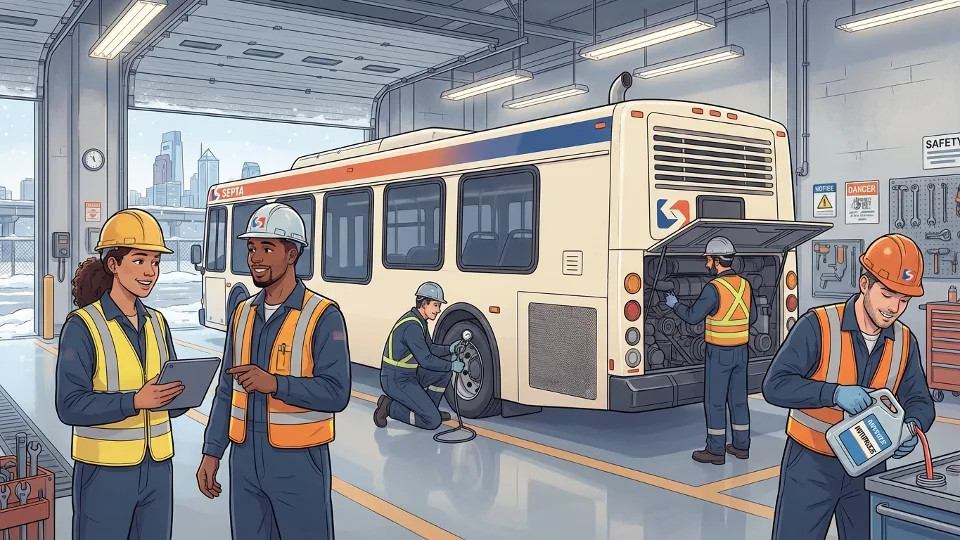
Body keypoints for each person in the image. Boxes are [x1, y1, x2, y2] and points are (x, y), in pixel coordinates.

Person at [763, 234, 935, 540]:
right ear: (864, 284)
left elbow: (921, 401)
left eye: (903, 300)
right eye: (887, 294)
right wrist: (833, 394)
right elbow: (775, 385)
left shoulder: (905, 341)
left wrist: (911, 427)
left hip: (869, 468)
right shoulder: (817, 326)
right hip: (812, 465)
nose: (894, 308)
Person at [196, 202, 351, 540]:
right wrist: (212, 451)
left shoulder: (323, 316)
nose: (255, 258)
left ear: (292, 254)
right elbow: (226, 390)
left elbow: (337, 392)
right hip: (244, 461)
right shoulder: (242, 314)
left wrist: (276, 384)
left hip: (298, 463)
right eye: (252, 248)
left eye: (267, 248)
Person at [55, 208, 186, 540]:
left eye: (155, 262)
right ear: (113, 264)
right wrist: (134, 401)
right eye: (139, 261)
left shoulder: (157, 322)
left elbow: (168, 398)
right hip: (105, 471)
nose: (150, 272)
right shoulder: (83, 326)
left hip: (157, 468)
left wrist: (180, 395)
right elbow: (69, 406)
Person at [665, 236, 757, 465]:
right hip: (741, 352)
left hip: (720, 353)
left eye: (708, 260)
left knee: (715, 401)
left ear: (717, 261)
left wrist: (674, 304)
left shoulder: (714, 288)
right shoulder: (745, 285)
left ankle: (715, 451)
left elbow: (692, 316)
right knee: (738, 400)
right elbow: (753, 317)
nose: (707, 264)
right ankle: (741, 446)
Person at [374, 282, 464, 430]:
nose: (438, 310)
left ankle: (430, 409)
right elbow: (426, 360)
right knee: (432, 422)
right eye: (435, 305)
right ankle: (389, 407)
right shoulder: (412, 326)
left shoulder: (419, 321)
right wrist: (452, 365)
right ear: (424, 303)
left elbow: (430, 348)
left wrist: (450, 349)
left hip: (409, 375)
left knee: (444, 373)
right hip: (395, 379)